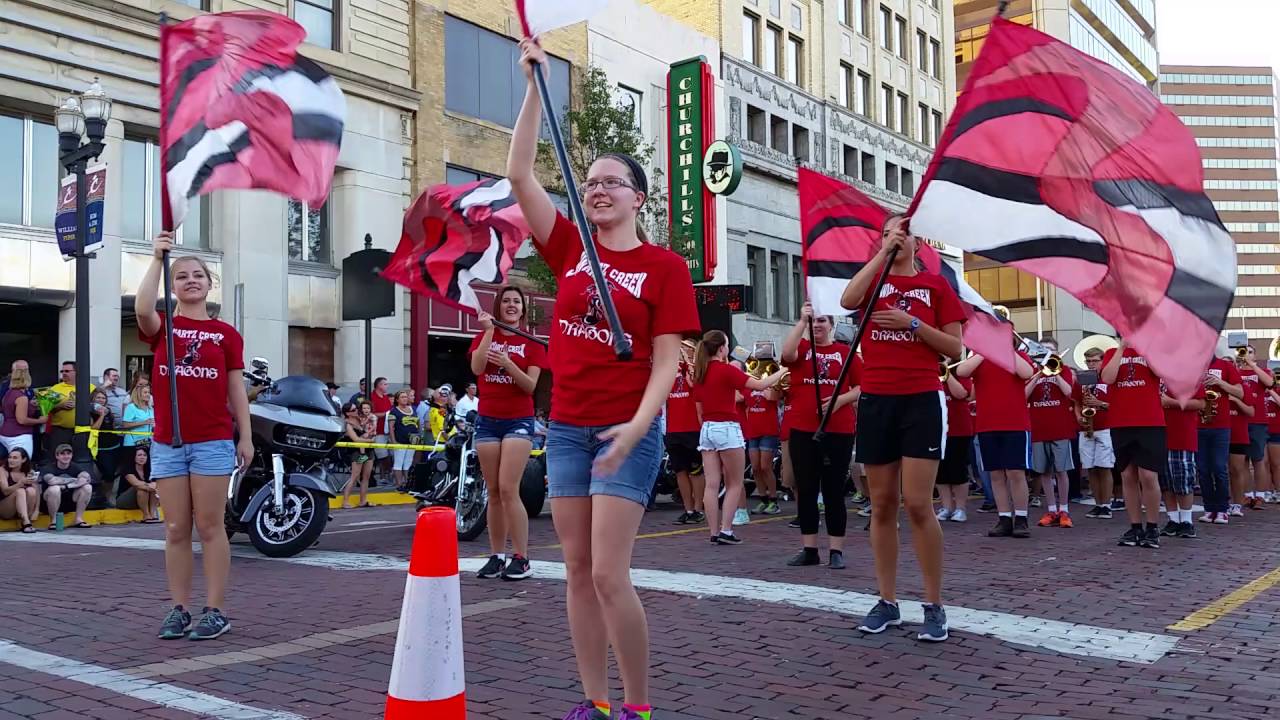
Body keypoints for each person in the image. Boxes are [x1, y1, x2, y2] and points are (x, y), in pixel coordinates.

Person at [508, 36, 700, 720]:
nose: (595, 188)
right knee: (579, 575)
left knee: (612, 575)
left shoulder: (664, 268)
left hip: (627, 431)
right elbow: (521, 175)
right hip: (566, 429)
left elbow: (667, 359)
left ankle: (637, 706)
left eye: (611, 181)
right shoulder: (568, 249)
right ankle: (592, 700)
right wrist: (535, 87)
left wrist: (640, 426)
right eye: (588, 181)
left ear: (639, 198)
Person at [838, 216, 964, 642]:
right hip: (876, 399)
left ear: (919, 241)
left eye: (906, 231)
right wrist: (880, 256)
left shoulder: (936, 286)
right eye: (892, 231)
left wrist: (913, 325)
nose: (900, 236)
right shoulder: (873, 282)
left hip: (921, 399)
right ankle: (887, 600)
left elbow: (955, 346)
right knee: (882, 503)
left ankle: (934, 604)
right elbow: (847, 298)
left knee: (916, 503)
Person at [136, 231, 252, 641]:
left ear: (208, 283)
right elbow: (141, 308)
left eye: (197, 275)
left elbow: (235, 388)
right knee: (174, 528)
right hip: (168, 442)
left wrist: (246, 437)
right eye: (181, 276)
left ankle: (216, 609)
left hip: (212, 441)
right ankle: (180, 608)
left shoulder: (226, 335)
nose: (189, 280)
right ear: (174, 285)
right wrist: (156, 259)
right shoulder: (163, 328)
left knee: (210, 526)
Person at [470, 287, 546, 581]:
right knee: (493, 492)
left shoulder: (531, 342)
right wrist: (488, 332)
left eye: (517, 301)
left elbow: (530, 386)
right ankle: (496, 556)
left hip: (519, 420)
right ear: (498, 307)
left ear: (523, 308)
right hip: (488, 420)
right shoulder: (484, 335)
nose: (512, 305)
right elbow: (477, 367)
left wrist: (508, 363)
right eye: (506, 301)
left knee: (507, 487)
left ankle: (522, 557)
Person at [780, 307, 860, 569]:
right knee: (806, 489)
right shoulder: (803, 349)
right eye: (813, 322)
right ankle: (809, 547)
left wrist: (841, 400)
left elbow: (864, 384)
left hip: (838, 429)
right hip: (803, 428)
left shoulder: (845, 353)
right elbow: (786, 354)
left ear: (831, 324)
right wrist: (801, 320)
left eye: (821, 321)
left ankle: (836, 550)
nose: (817, 326)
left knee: (834, 491)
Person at [691, 330, 784, 545]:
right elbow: (760, 385)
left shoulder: (700, 373)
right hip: (727, 427)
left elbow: (698, 409)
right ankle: (726, 530)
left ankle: (713, 532)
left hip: (707, 428)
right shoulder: (724, 370)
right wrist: (782, 371)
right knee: (734, 483)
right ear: (722, 349)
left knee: (712, 484)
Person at [956, 339, 1035, 538]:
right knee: (996, 475)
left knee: (1016, 473)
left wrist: (1005, 348)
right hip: (987, 425)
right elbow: (961, 372)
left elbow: (1026, 373)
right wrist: (985, 349)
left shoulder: (1018, 356)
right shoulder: (979, 358)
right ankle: (1004, 518)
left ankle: (1022, 519)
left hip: (1015, 424)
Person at [1100, 341, 1167, 548]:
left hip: (1150, 421)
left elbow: (1159, 371)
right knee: (1127, 475)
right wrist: (1121, 349)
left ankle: (1153, 526)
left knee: (1148, 475)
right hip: (1121, 421)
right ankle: (1135, 526)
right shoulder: (1112, 353)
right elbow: (1107, 378)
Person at [1026, 340, 1077, 528]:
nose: (1047, 354)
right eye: (1044, 351)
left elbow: (1070, 393)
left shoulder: (1064, 370)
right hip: (1039, 428)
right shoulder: (1032, 371)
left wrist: (1055, 374)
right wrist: (1039, 373)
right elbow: (1023, 395)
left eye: (1051, 351)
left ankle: (1064, 509)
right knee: (1044, 471)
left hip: (1060, 427)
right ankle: (1051, 509)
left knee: (1062, 470)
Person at [1198, 340, 1243, 524]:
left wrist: (1220, 383)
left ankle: (1223, 509)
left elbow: (1240, 392)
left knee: (1219, 468)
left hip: (1221, 425)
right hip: (1199, 424)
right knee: (1202, 469)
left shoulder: (1225, 365)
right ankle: (1209, 509)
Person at [666, 341, 706, 525]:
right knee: (680, 471)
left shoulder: (696, 370)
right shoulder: (669, 369)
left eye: (688, 349)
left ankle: (698, 509)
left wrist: (689, 362)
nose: (684, 351)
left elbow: (697, 386)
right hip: (673, 428)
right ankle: (688, 509)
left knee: (695, 471)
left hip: (692, 428)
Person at [1074, 348, 1116, 518]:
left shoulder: (1109, 379)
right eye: (1088, 361)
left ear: (1102, 361)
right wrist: (1078, 417)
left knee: (1104, 467)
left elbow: (1119, 405)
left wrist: (1099, 403)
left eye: (1095, 361)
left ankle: (1106, 505)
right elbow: (1076, 402)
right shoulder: (1081, 379)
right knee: (1090, 467)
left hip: (1105, 427)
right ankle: (1097, 504)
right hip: (1086, 428)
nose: (1091, 364)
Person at [1159, 382, 1204, 539]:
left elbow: (1201, 403)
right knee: (1166, 481)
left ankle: (1186, 520)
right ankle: (1173, 519)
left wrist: (1172, 403)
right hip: (1159, 433)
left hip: (1182, 434)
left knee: (1183, 479)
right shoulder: (1156, 377)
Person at [743, 357, 783, 516]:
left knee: (765, 466)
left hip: (769, 430)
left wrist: (767, 380)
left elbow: (773, 397)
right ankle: (763, 499)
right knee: (755, 468)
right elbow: (741, 398)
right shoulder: (749, 385)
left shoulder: (771, 385)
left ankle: (773, 500)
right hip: (753, 430)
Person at [1237, 346, 1274, 508]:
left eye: (1249, 351)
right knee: (1242, 460)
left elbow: (1269, 383)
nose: (1245, 354)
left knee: (1258, 459)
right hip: (1240, 420)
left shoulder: (1262, 370)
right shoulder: (1235, 372)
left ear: (1255, 355)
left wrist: (1252, 365)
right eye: (1242, 352)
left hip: (1257, 421)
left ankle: (1260, 495)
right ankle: (1246, 495)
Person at [936, 369, 974, 523]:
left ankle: (960, 508)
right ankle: (946, 507)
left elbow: (961, 394)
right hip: (937, 429)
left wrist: (947, 374)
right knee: (941, 472)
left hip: (959, 429)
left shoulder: (961, 373)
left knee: (958, 470)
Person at [39, 443, 94, 530]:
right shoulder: (48, 468)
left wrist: (66, 486)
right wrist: (75, 480)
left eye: (68, 454)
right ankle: (53, 521)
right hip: (49, 503)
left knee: (87, 487)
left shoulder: (75, 467)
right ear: (57, 456)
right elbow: (52, 481)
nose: (66, 456)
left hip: (69, 501)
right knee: (55, 489)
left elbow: (86, 478)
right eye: (62, 454)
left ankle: (78, 519)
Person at [46, 361, 95, 455]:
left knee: (82, 456)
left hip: (83, 430)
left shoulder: (90, 387)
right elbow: (46, 410)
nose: (64, 373)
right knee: (59, 456)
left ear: (76, 372)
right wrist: (60, 406)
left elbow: (99, 404)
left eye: (67, 371)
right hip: (61, 431)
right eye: (62, 371)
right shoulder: (54, 389)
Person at [1226, 379, 1257, 519]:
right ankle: (1222, 504)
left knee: (1236, 469)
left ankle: (1237, 503)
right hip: (1219, 432)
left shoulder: (1244, 388)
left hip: (1238, 434)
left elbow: (1251, 411)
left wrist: (1236, 400)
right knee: (1220, 471)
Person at [1, 364, 44, 456]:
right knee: (23, 465)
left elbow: (10, 409)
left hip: (5, 433)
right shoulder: (21, 397)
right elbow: (22, 420)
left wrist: (30, 405)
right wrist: (40, 420)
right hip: (19, 436)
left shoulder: (8, 393)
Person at [342, 401, 376, 508]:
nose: (357, 410)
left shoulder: (359, 420)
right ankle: (345, 501)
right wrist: (370, 441)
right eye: (353, 410)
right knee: (355, 476)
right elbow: (356, 439)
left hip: (367, 451)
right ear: (348, 413)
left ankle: (363, 500)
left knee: (366, 477)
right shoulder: (348, 424)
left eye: (356, 408)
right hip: (357, 452)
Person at [118, 445, 161, 523]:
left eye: (144, 455)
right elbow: (136, 483)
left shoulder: (150, 468)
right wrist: (149, 485)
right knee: (142, 489)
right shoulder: (127, 468)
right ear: (134, 457)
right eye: (139, 455)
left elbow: (156, 483)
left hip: (144, 500)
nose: (142, 457)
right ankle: (146, 515)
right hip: (125, 501)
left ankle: (152, 513)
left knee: (154, 489)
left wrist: (152, 486)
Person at [0, 447, 40, 533]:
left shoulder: (29, 471)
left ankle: (26, 519)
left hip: (23, 510)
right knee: (20, 491)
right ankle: (26, 523)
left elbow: (37, 491)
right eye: (10, 457)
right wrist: (20, 483)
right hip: (5, 508)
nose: (11, 460)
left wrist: (36, 510)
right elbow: (5, 491)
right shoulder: (3, 470)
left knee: (31, 490)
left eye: (15, 458)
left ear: (23, 459)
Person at [387, 390, 421, 491]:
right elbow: (391, 427)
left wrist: (419, 436)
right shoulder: (394, 411)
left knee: (408, 463)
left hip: (412, 441)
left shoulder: (413, 409)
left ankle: (407, 482)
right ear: (397, 399)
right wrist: (393, 441)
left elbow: (418, 424)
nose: (405, 399)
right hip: (400, 440)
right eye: (402, 397)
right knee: (398, 462)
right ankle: (399, 484)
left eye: (406, 397)